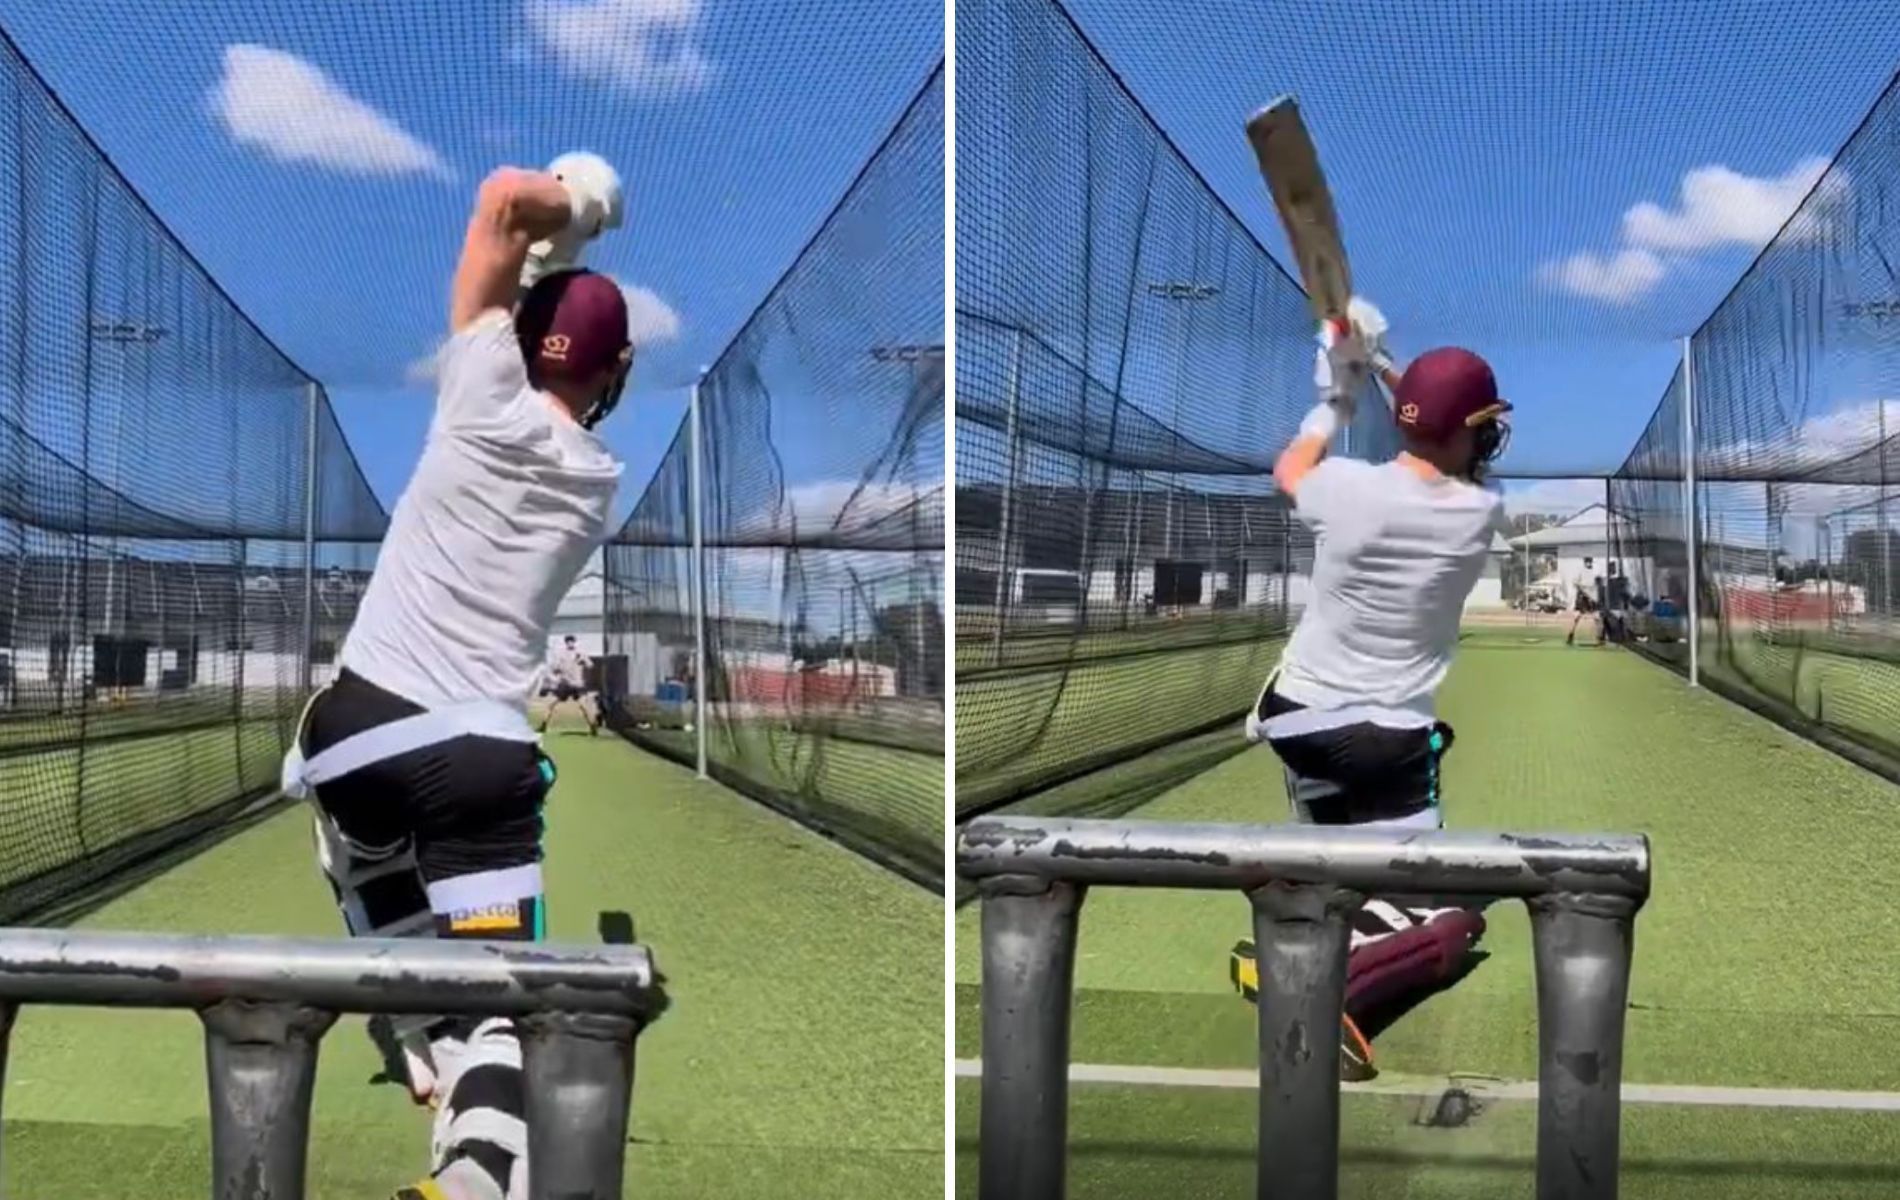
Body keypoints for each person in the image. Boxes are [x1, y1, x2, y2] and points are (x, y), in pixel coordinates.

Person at [279, 152, 631, 1200]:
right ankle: (473, 1166)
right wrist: (570, 245)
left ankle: (414, 1005)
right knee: (501, 1010)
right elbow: (554, 366)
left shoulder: (479, 393)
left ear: (518, 342)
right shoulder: (596, 480)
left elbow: (497, 205)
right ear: (610, 378)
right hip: (476, 761)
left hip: (353, 735)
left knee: (348, 816)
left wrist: (580, 210)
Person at [1230, 306, 1506, 1081]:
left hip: (1296, 720)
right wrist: (1382, 364)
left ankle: (1308, 917)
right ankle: (1323, 990)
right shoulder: (1480, 513)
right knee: (1454, 914)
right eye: (1483, 423)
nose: (1489, 436)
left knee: (1346, 871)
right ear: (1466, 432)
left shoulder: (1340, 488)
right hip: (1382, 745)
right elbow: (1440, 438)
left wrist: (1341, 391)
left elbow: (1291, 469)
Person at [539, 634, 599, 734]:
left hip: (577, 685)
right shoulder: (561, 654)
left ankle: (593, 727)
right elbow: (555, 669)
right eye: (568, 641)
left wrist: (582, 661)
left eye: (572, 641)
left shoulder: (580, 653)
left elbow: (590, 665)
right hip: (565, 685)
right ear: (566, 643)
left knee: (584, 706)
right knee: (550, 705)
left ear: (574, 642)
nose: (570, 643)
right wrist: (558, 669)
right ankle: (543, 726)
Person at [1566, 554, 1603, 646]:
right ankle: (1571, 635)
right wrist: (1582, 589)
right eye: (1587, 562)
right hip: (1583, 597)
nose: (1589, 563)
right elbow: (1575, 583)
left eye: (1590, 562)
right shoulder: (1581, 571)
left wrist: (1594, 592)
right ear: (1585, 563)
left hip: (1593, 597)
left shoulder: (1595, 571)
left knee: (1597, 617)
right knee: (1577, 617)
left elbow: (1597, 583)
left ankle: (1600, 637)